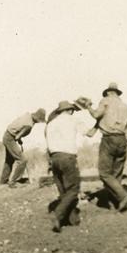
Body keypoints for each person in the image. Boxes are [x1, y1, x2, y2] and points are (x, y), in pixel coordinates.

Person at [85, 82, 127, 211]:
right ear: (117, 93)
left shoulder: (105, 101)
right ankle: (116, 203)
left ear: (108, 92)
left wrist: (88, 106)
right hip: (122, 140)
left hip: (108, 139)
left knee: (104, 173)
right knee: (116, 174)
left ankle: (123, 196)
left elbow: (96, 115)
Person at [45, 97, 90, 232]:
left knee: (64, 191)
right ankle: (58, 215)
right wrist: (99, 122)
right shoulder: (73, 120)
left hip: (54, 158)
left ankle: (72, 220)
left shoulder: (51, 123)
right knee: (73, 189)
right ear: (70, 110)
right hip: (67, 157)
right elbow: (89, 133)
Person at [1, 108, 46, 187]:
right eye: (39, 120)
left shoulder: (27, 115)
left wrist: (19, 138)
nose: (38, 122)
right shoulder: (29, 125)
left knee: (9, 160)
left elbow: (17, 131)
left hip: (7, 136)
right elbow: (17, 136)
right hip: (10, 139)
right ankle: (13, 182)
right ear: (37, 118)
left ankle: (3, 181)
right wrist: (19, 138)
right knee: (22, 160)